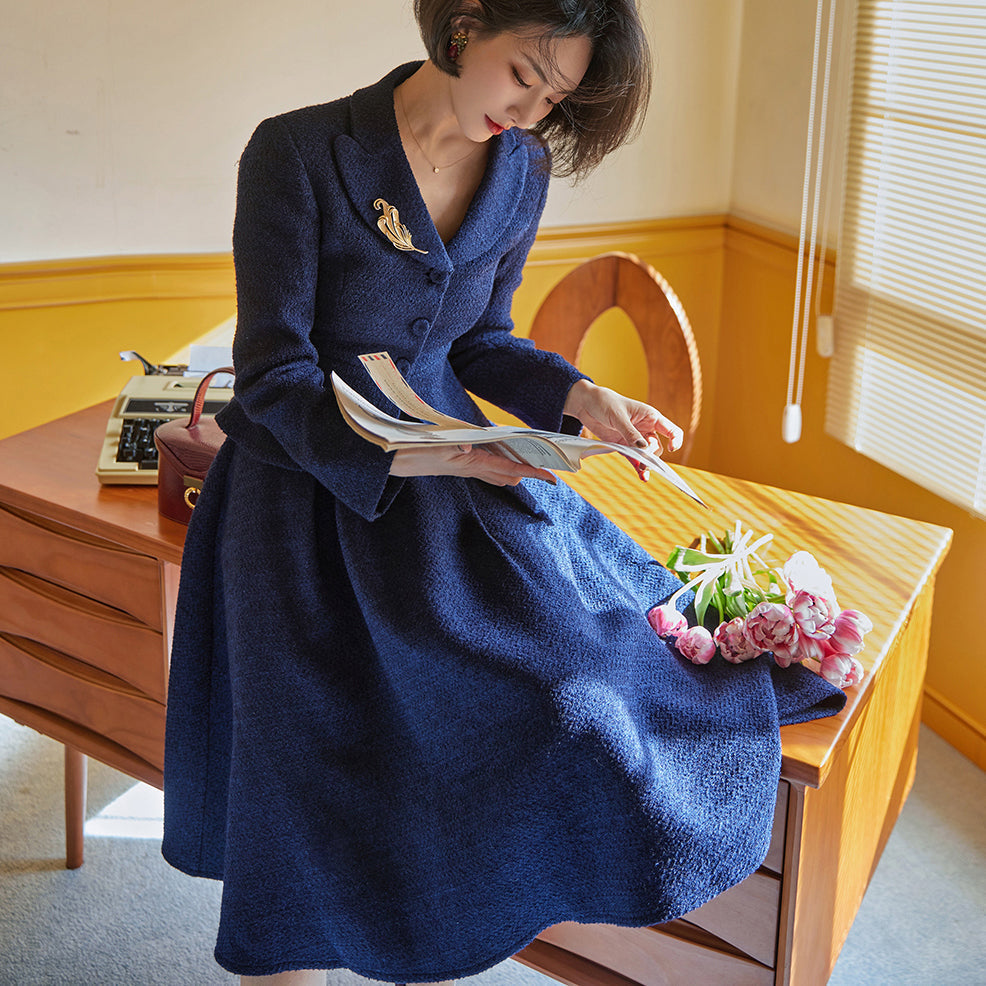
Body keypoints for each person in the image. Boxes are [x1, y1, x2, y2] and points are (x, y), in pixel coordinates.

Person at [162, 2, 845, 984]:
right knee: (311, 767)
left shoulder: (519, 169)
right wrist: (419, 454)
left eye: (554, 95)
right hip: (302, 494)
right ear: (464, 22)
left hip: (458, 475)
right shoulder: (299, 152)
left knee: (574, 691)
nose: (528, 110)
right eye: (521, 74)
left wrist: (581, 396)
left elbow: (483, 341)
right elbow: (271, 378)